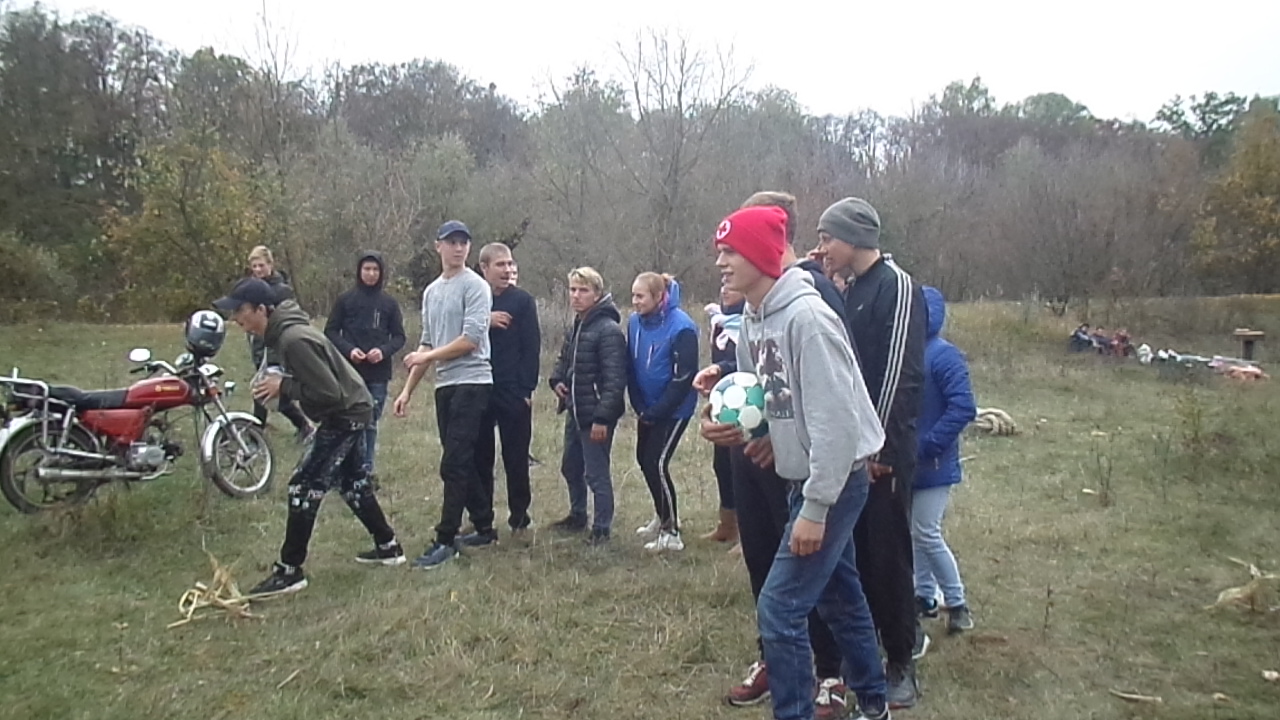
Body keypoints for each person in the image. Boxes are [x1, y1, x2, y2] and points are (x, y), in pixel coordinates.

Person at [702, 204, 890, 720]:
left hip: (834, 479)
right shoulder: (753, 319)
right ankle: (875, 704)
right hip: (801, 476)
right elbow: (765, 399)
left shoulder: (808, 320)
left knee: (780, 607)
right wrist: (737, 426)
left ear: (760, 255)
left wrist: (815, 507)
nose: (720, 262)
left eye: (730, 251)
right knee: (839, 597)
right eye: (720, 251)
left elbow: (837, 423)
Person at [213, 278, 403, 595]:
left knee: (303, 487)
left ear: (262, 309)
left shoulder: (292, 339)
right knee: (352, 483)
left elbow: (329, 392)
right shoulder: (285, 334)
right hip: (352, 408)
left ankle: (290, 571)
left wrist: (283, 387)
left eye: (240, 310)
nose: (236, 318)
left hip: (345, 413)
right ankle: (388, 546)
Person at [816, 197, 927, 709]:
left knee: (887, 556)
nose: (822, 248)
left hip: (883, 452)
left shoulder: (896, 287)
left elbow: (900, 374)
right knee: (856, 555)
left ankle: (902, 659)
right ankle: (860, 652)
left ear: (855, 237)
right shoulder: (851, 288)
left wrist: (879, 447)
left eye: (827, 239)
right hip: (853, 453)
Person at [394, 220, 496, 569]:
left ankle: (446, 538)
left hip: (473, 382)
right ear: (438, 245)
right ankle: (484, 525)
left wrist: (427, 357)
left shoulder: (476, 286)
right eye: (452, 242)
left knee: (454, 463)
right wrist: (407, 390)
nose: (458, 248)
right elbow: (427, 341)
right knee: (459, 460)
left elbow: (470, 340)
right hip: (445, 385)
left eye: (464, 242)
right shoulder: (432, 292)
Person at [547, 267, 627, 545]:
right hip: (575, 408)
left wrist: (602, 418)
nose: (576, 296)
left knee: (596, 473)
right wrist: (557, 381)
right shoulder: (578, 325)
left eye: (583, 290)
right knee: (570, 466)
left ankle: (602, 528)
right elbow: (564, 360)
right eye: (573, 290)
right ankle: (577, 514)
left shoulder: (608, 330)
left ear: (597, 293)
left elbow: (615, 380)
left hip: (596, 414)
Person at [914, 286, 977, 635]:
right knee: (915, 532)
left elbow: (963, 406)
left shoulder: (944, 356)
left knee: (926, 531)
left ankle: (956, 603)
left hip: (934, 464)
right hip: (907, 463)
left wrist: (930, 445)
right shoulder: (905, 353)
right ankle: (924, 595)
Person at [627, 272, 699, 553]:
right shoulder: (634, 323)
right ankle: (662, 515)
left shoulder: (683, 327)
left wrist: (657, 411)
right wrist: (640, 406)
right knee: (643, 460)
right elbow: (631, 366)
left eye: (640, 296)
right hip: (646, 407)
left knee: (656, 462)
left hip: (674, 410)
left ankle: (672, 533)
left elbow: (683, 379)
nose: (635, 301)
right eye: (633, 295)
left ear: (659, 297)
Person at [476, 242, 541, 537]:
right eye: (500, 265)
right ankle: (482, 517)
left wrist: (526, 389)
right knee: (480, 456)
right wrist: (485, 321)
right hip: (479, 386)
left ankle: (519, 516)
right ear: (484, 268)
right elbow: (457, 330)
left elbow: (532, 346)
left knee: (516, 456)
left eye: (510, 264)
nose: (507, 270)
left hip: (512, 389)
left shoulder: (522, 301)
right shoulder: (475, 297)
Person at [324, 251, 406, 477]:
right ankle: (345, 468)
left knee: (370, 422)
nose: (371, 274)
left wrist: (383, 351)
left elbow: (399, 337)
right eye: (367, 269)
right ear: (359, 271)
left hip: (378, 374)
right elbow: (331, 331)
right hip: (349, 372)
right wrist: (349, 350)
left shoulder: (389, 304)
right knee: (348, 421)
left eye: (375, 269)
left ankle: (366, 470)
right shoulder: (345, 300)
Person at [245, 245, 314, 443]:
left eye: (261, 265)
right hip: (260, 347)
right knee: (268, 392)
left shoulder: (281, 291)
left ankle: (258, 432)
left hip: (277, 348)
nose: (258, 270)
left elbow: (290, 318)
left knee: (266, 391)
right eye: (254, 266)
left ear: (270, 264)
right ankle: (301, 426)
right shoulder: (252, 289)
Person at [702, 285, 744, 547]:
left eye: (731, 286)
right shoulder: (720, 323)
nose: (724, 290)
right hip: (722, 404)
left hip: (747, 407)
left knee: (742, 469)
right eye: (722, 285)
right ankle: (726, 524)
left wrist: (723, 369)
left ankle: (747, 533)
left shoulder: (748, 322)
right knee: (722, 465)